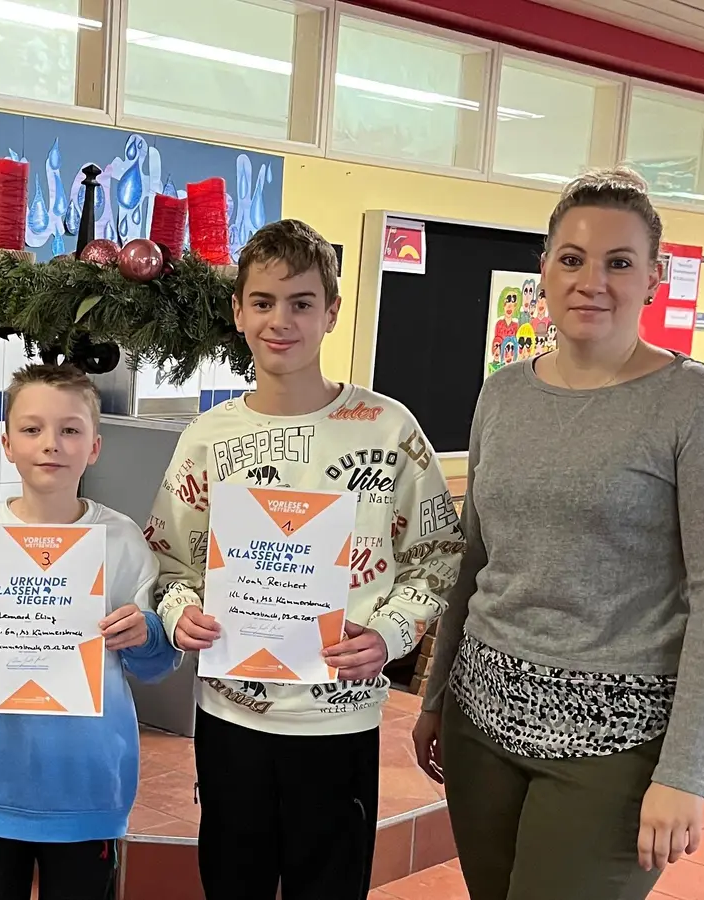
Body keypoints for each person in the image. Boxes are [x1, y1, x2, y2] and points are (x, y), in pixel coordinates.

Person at [411, 168, 704, 900]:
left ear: (655, 276)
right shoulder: (504, 393)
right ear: (543, 268)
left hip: (614, 744)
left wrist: (685, 773)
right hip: (482, 723)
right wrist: (438, 692)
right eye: (571, 258)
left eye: (619, 262)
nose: (591, 280)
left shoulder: (698, 408)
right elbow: (477, 556)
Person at [145, 219, 465, 899]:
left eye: (300, 302)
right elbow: (170, 565)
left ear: (332, 313)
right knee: (234, 884)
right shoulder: (208, 439)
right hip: (231, 719)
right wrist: (181, 615)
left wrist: (388, 635)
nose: (279, 320)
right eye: (262, 302)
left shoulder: (387, 429)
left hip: (338, 722)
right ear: (238, 311)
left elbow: (438, 558)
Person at [0, 363, 179, 900]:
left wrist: (145, 633)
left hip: (89, 788)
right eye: (32, 429)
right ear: (7, 444)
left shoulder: (121, 539)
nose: (51, 444)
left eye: (70, 430)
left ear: (95, 447)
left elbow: (157, 662)